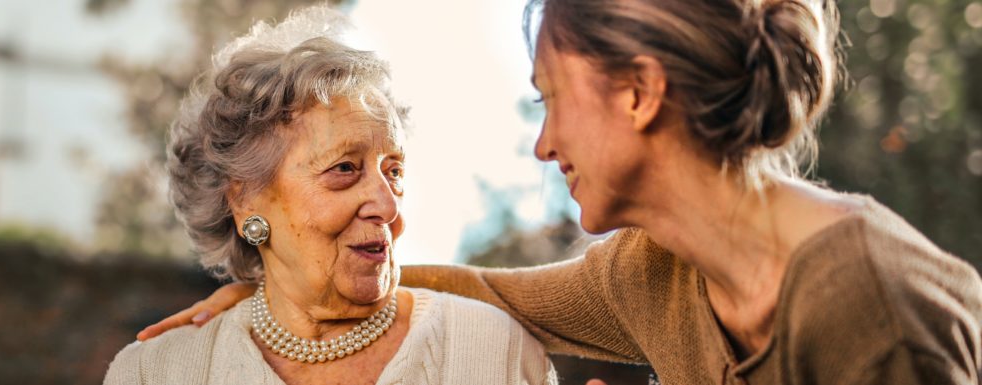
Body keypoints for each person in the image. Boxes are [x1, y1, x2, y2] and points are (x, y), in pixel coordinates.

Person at [137, 0, 982, 383]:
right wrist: (270, 287)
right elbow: (489, 289)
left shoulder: (866, 301)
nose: (543, 142)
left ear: (640, 93)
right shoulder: (655, 272)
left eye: (550, 97)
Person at [103, 8, 556, 385]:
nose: (388, 206)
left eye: (393, 171)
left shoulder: (496, 352)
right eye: (344, 169)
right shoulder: (153, 373)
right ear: (245, 202)